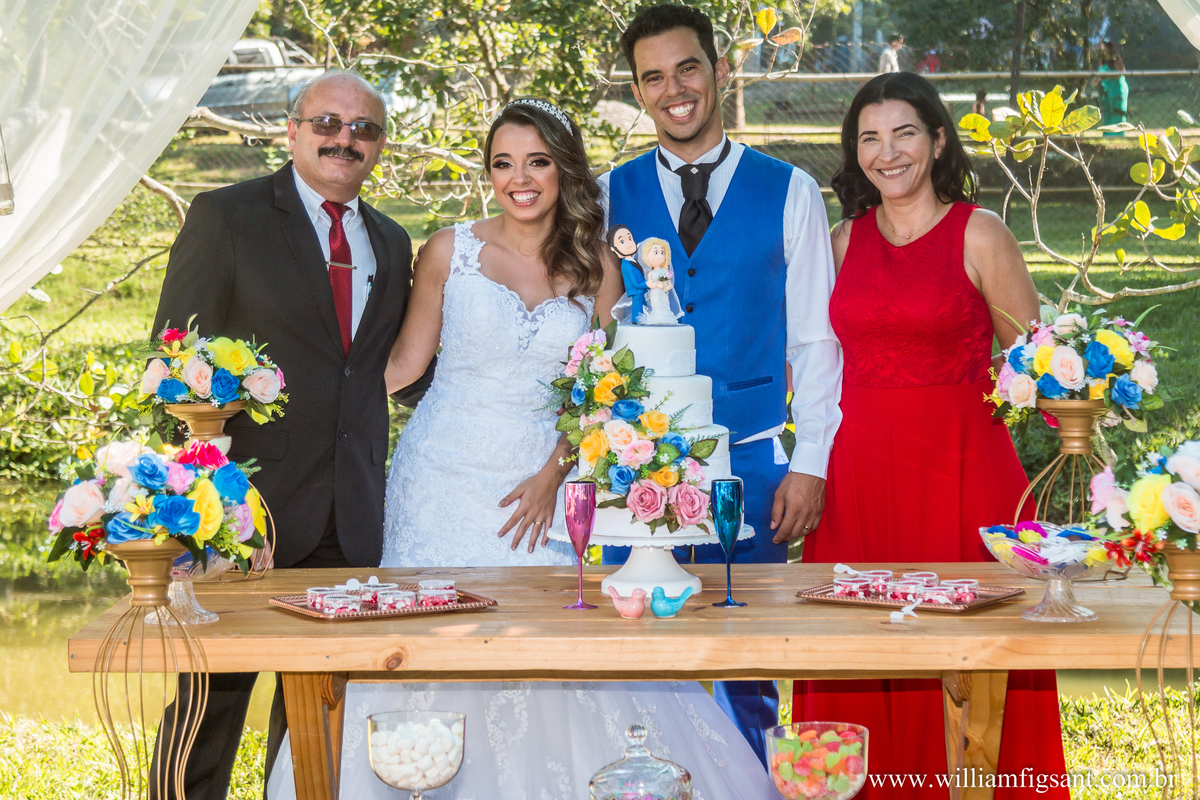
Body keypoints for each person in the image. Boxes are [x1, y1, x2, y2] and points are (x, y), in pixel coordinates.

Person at [265, 99, 776, 800]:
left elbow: (603, 396)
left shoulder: (598, 266)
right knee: (424, 635)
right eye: (503, 164)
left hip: (539, 491)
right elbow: (402, 366)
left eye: (537, 162)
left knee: (548, 644)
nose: (520, 179)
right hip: (438, 481)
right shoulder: (448, 251)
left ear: (564, 170)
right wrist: (293, 403)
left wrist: (553, 475)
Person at [148, 71, 435, 800]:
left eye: (364, 129)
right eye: (327, 123)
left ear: (380, 145)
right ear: (293, 130)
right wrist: (212, 504)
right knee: (208, 707)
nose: (345, 140)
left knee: (319, 713)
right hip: (243, 515)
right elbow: (174, 363)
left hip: (351, 513)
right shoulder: (226, 217)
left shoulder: (392, 240)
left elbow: (385, 368)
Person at [793, 72, 1068, 799]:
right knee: (855, 644)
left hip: (963, 471)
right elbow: (813, 360)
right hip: (858, 477)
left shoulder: (981, 233)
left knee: (979, 651)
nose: (887, 153)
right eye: (870, 138)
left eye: (905, 133)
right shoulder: (841, 241)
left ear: (939, 140)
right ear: (855, 153)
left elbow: (1034, 362)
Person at [600, 3, 841, 767]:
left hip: (754, 461)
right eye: (653, 77)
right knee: (639, 662)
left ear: (721, 71)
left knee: (747, 663)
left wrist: (811, 461)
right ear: (638, 91)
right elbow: (596, 332)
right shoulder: (609, 194)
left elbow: (815, 338)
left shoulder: (790, 190)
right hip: (636, 473)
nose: (674, 90)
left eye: (688, 68)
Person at [1095, 40, 1129, 135]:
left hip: (1118, 90)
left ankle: (1118, 135)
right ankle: (1108, 135)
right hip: (1106, 91)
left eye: (1103, 47)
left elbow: (1122, 72)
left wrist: (1106, 76)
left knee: (1117, 114)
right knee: (1106, 113)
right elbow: (1101, 73)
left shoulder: (1115, 58)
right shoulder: (1102, 60)